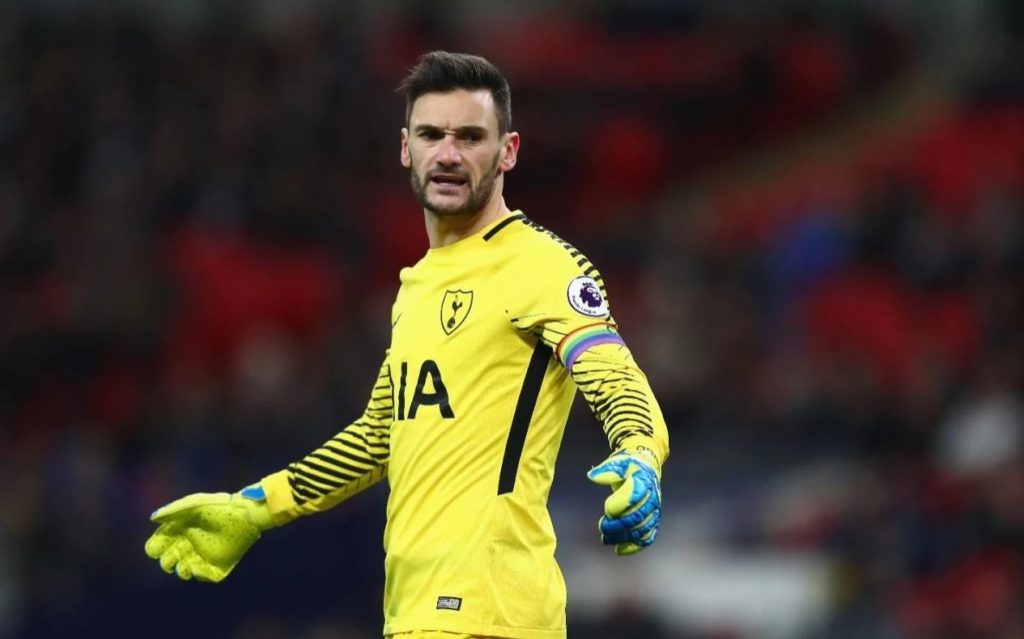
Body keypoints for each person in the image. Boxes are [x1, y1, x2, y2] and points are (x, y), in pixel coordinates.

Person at [144, 51, 669, 639]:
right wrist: (256, 506)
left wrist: (639, 452)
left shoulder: (543, 267)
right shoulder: (416, 287)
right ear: (405, 148)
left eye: (470, 137)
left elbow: (613, 375)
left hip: (491, 609)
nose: (448, 155)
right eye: (431, 135)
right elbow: (379, 436)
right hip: (416, 610)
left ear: (508, 151)